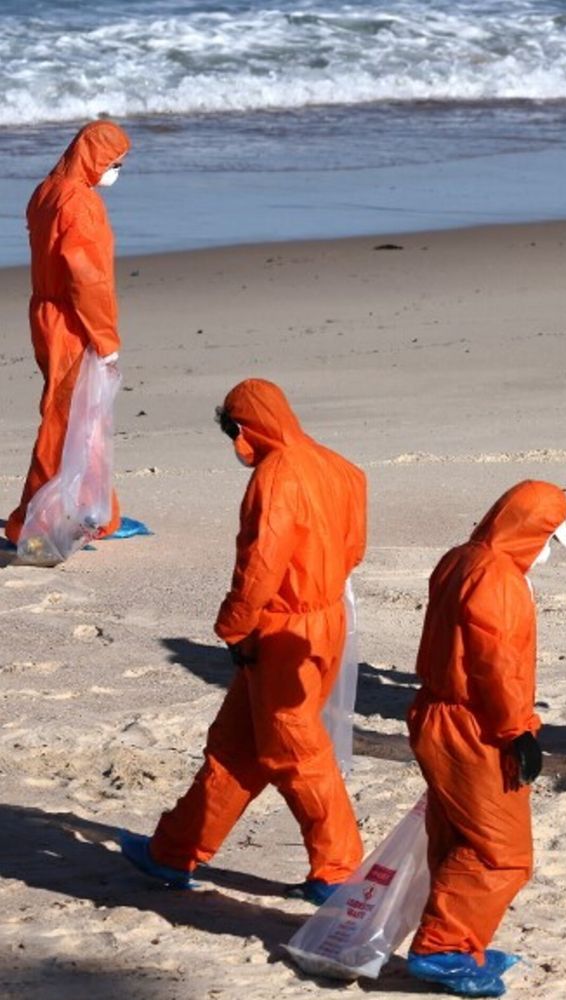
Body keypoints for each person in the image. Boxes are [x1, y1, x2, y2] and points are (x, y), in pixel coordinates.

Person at [118, 379, 366, 903]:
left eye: (233, 430)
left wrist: (235, 627)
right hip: (325, 619)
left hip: (283, 627)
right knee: (236, 747)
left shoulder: (277, 476)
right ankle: (174, 850)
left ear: (246, 427)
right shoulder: (337, 465)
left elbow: (260, 564)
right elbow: (353, 547)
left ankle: (339, 867)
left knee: (295, 750)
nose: (234, 443)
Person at [404, 480, 566, 998]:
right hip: (474, 724)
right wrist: (516, 732)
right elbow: (494, 662)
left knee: (457, 834)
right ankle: (443, 948)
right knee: (501, 852)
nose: (548, 550)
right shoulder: (498, 578)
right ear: (529, 531)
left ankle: (463, 941)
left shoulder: (461, 558)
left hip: (437, 712)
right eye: (548, 536)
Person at [7, 121, 133, 546]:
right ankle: (34, 521)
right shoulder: (79, 202)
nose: (115, 171)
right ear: (95, 158)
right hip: (71, 318)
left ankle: (95, 509)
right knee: (67, 417)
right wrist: (106, 339)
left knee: (82, 414)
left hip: (44, 309)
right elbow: (87, 277)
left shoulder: (45, 191)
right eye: (114, 163)